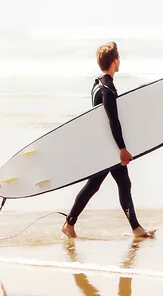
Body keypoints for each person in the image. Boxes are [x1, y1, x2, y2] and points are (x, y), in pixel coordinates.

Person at [61, 42, 155, 240]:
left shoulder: (97, 84)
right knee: (114, 184)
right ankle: (70, 223)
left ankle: (70, 223)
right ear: (114, 61)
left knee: (100, 185)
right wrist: (121, 148)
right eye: (118, 58)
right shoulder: (108, 88)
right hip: (110, 148)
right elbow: (113, 120)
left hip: (103, 146)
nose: (119, 61)